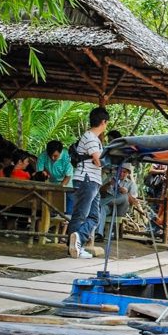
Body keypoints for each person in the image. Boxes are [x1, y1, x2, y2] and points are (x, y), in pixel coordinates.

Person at [67, 106, 108, 259]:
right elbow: (98, 160)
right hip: (87, 179)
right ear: (104, 122)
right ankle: (75, 246)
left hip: (93, 181)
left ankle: (77, 242)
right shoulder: (90, 137)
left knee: (94, 217)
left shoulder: (94, 139)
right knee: (81, 215)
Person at [98, 166, 139, 240]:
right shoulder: (111, 179)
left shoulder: (131, 184)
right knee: (103, 208)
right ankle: (99, 234)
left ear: (128, 173)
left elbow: (134, 202)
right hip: (109, 207)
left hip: (120, 209)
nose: (121, 174)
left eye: (124, 172)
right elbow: (100, 192)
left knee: (124, 197)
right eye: (120, 171)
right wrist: (108, 184)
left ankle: (100, 203)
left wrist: (127, 193)